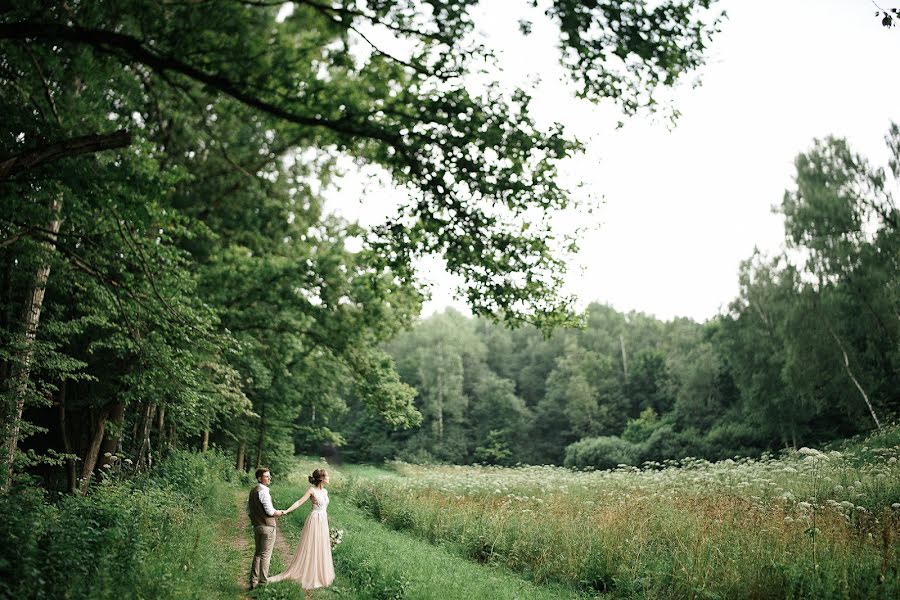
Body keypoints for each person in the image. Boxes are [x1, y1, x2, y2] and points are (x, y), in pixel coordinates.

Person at [267, 468, 335, 592]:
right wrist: (287, 510)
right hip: (314, 520)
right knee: (312, 545)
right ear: (321, 478)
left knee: (321, 546)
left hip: (323, 520)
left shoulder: (325, 492)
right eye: (327, 476)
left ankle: (320, 573)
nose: (329, 477)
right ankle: (310, 574)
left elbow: (324, 507)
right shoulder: (311, 490)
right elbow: (299, 502)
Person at [247, 467, 286, 589]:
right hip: (268, 527)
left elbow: (247, 510)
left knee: (258, 554)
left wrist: (256, 518)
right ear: (260, 478)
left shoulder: (253, 491)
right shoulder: (264, 491)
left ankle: (253, 582)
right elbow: (270, 511)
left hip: (257, 526)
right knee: (265, 555)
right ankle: (263, 583)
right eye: (266, 476)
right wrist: (279, 512)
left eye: (269, 476)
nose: (269, 478)